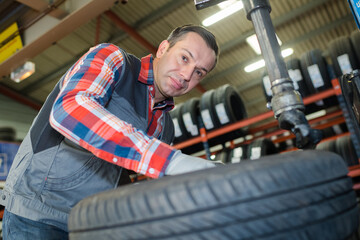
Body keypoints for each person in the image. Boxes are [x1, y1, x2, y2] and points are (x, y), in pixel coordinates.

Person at [0, 24, 219, 239]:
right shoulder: (114, 60)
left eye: (199, 72)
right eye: (184, 58)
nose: (187, 75)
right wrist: (172, 162)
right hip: (36, 212)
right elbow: (71, 109)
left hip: (89, 226)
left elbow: (123, 174)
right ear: (163, 49)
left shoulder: (165, 127)